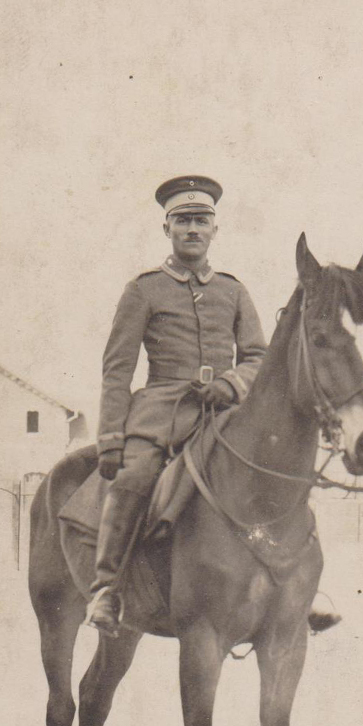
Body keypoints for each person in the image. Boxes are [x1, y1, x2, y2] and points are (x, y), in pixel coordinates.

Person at [88, 175, 267, 636]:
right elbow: (117, 369)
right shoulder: (143, 290)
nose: (193, 229)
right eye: (183, 220)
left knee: (268, 471)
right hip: (161, 412)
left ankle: (286, 581)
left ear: (214, 230)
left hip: (224, 414)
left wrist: (231, 384)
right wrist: (111, 437)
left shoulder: (234, 291)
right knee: (135, 479)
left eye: (201, 220)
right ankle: (107, 590)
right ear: (166, 228)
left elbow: (257, 358)